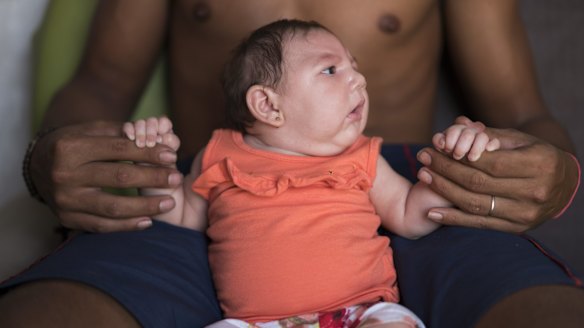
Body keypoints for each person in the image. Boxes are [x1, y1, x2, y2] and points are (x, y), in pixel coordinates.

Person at [0, 1, 582, 327]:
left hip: (406, 175)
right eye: (334, 69)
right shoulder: (208, 169)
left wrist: (562, 173)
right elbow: (100, 81)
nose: (355, 78)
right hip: (213, 191)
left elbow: (523, 112)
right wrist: (48, 153)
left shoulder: (405, 176)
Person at [122, 19, 501, 328]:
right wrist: (152, 166)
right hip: (254, 323)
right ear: (268, 106)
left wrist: (457, 159)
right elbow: (179, 216)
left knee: (394, 324)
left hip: (361, 313)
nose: (359, 80)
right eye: (331, 70)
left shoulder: (362, 156)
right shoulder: (221, 155)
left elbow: (410, 215)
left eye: (355, 67)